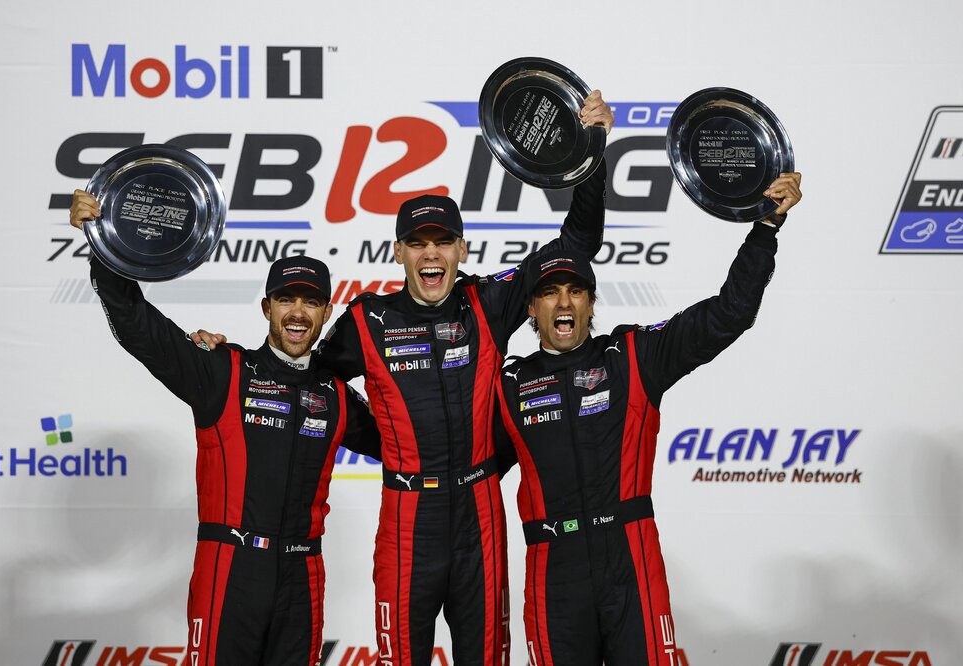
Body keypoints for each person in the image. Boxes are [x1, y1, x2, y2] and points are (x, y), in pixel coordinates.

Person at [314, 92, 614, 666]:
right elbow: (309, 382)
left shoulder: (489, 302)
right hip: (407, 518)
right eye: (418, 244)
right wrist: (384, 441)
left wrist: (593, 150)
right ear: (398, 252)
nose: (431, 255)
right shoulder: (367, 320)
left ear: (461, 249)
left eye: (443, 242)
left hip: (480, 514)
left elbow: (577, 245)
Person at [493, 174, 802, 665]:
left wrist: (764, 229)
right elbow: (454, 461)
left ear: (592, 302)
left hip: (630, 560)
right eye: (550, 292)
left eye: (577, 291)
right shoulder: (507, 386)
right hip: (554, 569)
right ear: (531, 307)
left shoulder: (634, 356)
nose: (564, 303)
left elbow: (730, 314)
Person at [69, 190, 381, 666]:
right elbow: (137, 325)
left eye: (311, 302)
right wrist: (103, 243)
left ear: (325, 312)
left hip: (303, 574)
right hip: (231, 568)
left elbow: (412, 447)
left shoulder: (336, 394)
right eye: (286, 300)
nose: (298, 313)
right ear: (267, 308)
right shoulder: (223, 371)